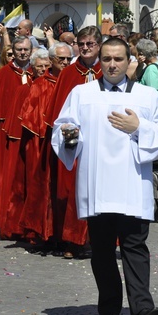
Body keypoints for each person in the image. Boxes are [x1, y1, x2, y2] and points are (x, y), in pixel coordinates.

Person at [52, 37, 158, 315]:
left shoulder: (146, 96)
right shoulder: (82, 93)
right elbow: (63, 129)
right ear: (100, 60)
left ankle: (142, 310)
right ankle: (109, 307)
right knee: (104, 250)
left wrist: (140, 128)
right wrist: (70, 137)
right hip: (98, 185)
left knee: (135, 247)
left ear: (128, 60)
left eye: (118, 59)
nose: (111, 64)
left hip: (133, 183)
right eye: (106, 59)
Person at [46, 26, 103, 259]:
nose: (86, 48)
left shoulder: (107, 71)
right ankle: (72, 240)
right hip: (75, 146)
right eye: (82, 44)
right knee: (72, 192)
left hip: (101, 144)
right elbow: (58, 113)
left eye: (91, 43)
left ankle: (99, 239)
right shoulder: (68, 74)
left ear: (99, 45)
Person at [16, 41, 72, 244]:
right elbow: (31, 117)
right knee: (46, 190)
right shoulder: (40, 84)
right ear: (52, 61)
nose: (65, 62)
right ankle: (45, 233)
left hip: (72, 145)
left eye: (68, 59)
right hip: (45, 145)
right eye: (61, 59)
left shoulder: (76, 82)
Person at [0, 36, 33, 235]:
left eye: (26, 49)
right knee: (6, 173)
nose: (22, 53)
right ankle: (2, 213)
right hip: (6, 132)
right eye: (19, 49)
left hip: (30, 131)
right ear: (13, 50)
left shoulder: (36, 71)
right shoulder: (4, 73)